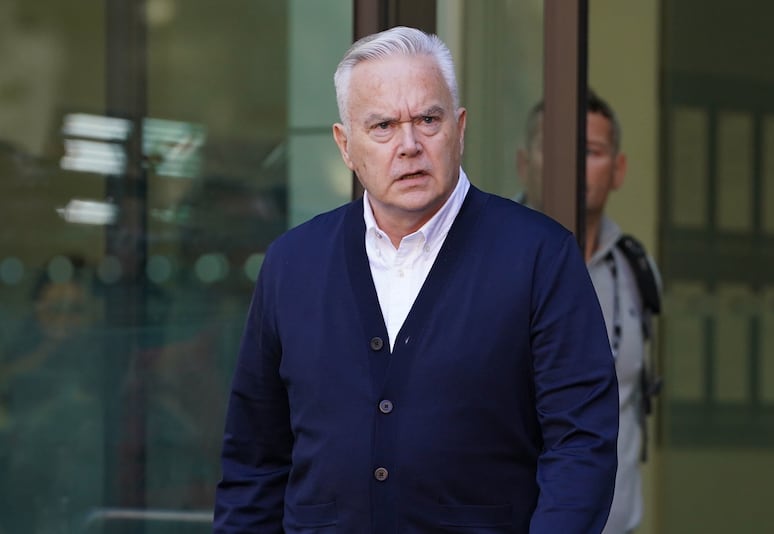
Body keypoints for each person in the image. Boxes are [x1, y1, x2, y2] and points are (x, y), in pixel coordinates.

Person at [214, 26, 619, 533]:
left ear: (460, 127)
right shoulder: (291, 265)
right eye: (382, 125)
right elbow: (255, 460)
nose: (409, 145)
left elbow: (581, 445)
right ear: (345, 145)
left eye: (428, 119)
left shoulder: (539, 256)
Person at [516, 90, 662, 534]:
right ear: (525, 164)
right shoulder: (482, 259)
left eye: (591, 151)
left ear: (618, 170)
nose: (572, 164)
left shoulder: (636, 269)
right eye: (554, 148)